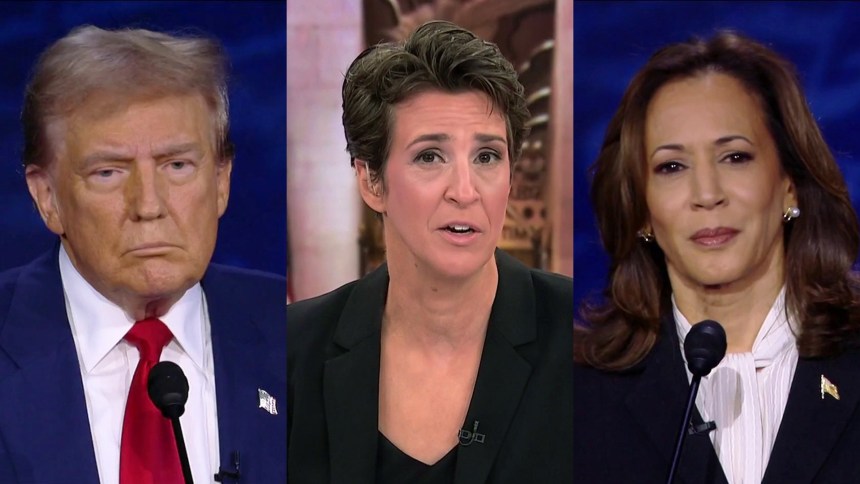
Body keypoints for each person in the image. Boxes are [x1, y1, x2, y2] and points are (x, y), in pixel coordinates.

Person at [287, 20, 572, 483]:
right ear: (371, 181)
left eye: (487, 156)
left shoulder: (580, 340)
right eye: (429, 156)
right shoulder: (293, 350)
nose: (465, 191)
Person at [0, 26, 286, 483]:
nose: (149, 206)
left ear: (221, 181)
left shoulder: (297, 332)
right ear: (47, 197)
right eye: (108, 172)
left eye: (177, 165)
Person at [573, 30, 860, 483]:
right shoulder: (575, 400)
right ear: (642, 210)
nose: (706, 194)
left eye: (735, 157)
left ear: (789, 184)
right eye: (672, 167)